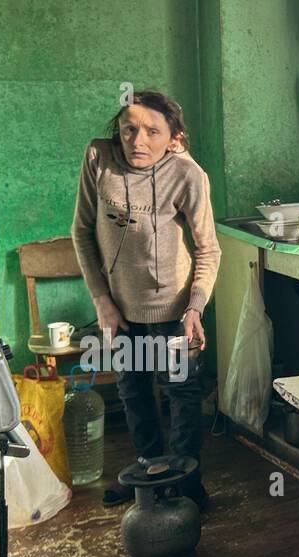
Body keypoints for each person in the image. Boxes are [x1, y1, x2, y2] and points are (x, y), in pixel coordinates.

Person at [72, 88, 221, 510]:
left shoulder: (188, 174)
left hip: (174, 307)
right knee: (132, 389)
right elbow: (82, 231)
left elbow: (209, 248)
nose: (138, 141)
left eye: (153, 132)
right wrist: (101, 300)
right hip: (118, 306)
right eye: (129, 129)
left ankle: (187, 484)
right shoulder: (99, 160)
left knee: (181, 392)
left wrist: (195, 308)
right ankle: (150, 475)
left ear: (174, 138)